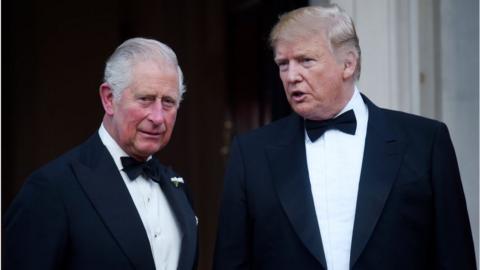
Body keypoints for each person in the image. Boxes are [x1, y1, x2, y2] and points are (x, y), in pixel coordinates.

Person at [213, 4, 476, 270]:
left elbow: (455, 256)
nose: (291, 76)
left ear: (348, 64)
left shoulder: (425, 142)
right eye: (283, 64)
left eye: (306, 60)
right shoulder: (251, 153)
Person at [5, 37, 198, 270]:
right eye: (145, 99)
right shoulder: (52, 188)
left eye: (168, 102)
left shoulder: (178, 188)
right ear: (109, 99)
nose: (157, 117)